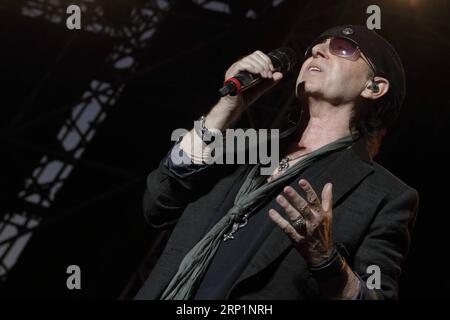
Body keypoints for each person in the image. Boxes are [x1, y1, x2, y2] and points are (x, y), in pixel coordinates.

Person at [135, 25, 418, 300]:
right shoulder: (243, 148)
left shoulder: (383, 195)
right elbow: (159, 203)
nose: (317, 51)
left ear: (374, 86)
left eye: (342, 48)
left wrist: (326, 260)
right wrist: (228, 108)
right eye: (314, 48)